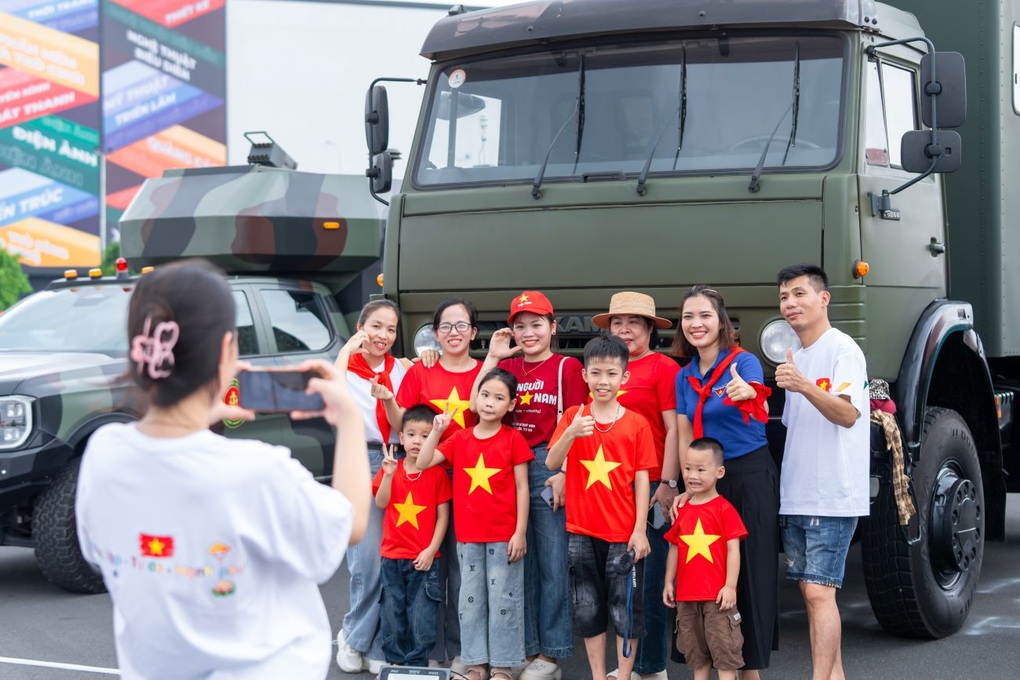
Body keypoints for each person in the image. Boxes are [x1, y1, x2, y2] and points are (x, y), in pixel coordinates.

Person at [75, 259, 371, 679]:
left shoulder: (103, 453)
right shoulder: (256, 470)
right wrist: (350, 418)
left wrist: (199, 413)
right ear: (228, 350)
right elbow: (351, 521)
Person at [470, 290, 587, 680]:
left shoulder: (566, 367)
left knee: (553, 561)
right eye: (520, 326)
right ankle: (527, 646)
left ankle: (552, 654)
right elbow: (476, 408)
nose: (528, 333)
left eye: (536, 325)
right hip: (505, 464)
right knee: (519, 561)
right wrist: (494, 355)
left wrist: (566, 473)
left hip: (546, 461)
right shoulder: (509, 367)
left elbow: (575, 421)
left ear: (553, 327)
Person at [670, 285, 778, 678]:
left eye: (705, 316)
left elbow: (760, 400)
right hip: (705, 485)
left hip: (746, 478)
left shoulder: (743, 362)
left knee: (749, 577)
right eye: (688, 317)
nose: (696, 324)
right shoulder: (684, 377)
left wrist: (748, 392)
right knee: (704, 578)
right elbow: (685, 437)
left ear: (722, 322)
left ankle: (750, 671)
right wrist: (686, 487)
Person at [375, 297, 484, 666]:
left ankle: (461, 651)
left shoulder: (483, 372)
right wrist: (389, 397)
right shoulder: (421, 371)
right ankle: (429, 654)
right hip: (425, 475)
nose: (454, 333)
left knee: (461, 569)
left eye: (461, 325)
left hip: (473, 479)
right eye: (446, 327)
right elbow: (399, 421)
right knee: (429, 570)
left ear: (474, 331)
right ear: (435, 333)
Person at [774, 264, 869, 680]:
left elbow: (847, 415)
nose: (790, 303)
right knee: (813, 596)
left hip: (832, 492)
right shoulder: (796, 355)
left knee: (818, 592)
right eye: (783, 297)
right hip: (797, 494)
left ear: (823, 298)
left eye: (799, 294)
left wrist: (804, 385)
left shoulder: (842, 348)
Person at [547, 335, 657, 680]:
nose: (603, 381)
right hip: (581, 529)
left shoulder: (637, 423)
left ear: (624, 377)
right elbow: (551, 462)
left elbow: (642, 479)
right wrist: (571, 433)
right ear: (585, 376)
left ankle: (622, 675)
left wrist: (640, 530)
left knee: (626, 609)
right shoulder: (572, 416)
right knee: (587, 608)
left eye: (612, 374)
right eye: (596, 373)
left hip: (623, 533)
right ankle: (598, 675)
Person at [417, 368, 533, 680]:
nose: (490, 402)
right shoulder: (459, 439)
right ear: (475, 398)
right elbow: (423, 462)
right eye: (484, 395)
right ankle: (474, 663)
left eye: (499, 398)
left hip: (504, 535)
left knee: (503, 601)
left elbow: (523, 487)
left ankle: (503, 664)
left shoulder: (513, 439)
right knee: (470, 602)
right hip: (468, 536)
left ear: (510, 405)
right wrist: (437, 431)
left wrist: (520, 531)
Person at [592, 292, 680, 680]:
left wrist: (670, 482)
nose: (624, 329)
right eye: (617, 323)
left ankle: (651, 668)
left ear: (649, 330)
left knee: (648, 583)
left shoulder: (661, 367)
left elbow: (675, 428)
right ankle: (627, 664)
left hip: (652, 486)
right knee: (617, 586)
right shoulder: (602, 368)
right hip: (607, 489)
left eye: (634, 323)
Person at [334, 300, 415, 674]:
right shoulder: (344, 369)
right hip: (358, 459)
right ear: (361, 327)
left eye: (391, 329)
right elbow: (330, 404)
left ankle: (377, 640)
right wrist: (347, 350)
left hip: (396, 460)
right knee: (365, 558)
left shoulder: (401, 369)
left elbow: (403, 420)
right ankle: (354, 636)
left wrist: (392, 396)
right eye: (376, 327)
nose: (383, 336)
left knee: (393, 558)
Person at [663, 437, 748, 680]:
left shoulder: (724, 509)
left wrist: (730, 586)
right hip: (687, 598)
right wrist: (669, 582)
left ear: (719, 472)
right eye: (688, 468)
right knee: (696, 657)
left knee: (725, 655)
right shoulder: (682, 509)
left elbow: (734, 550)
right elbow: (675, 548)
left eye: (701, 469)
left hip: (717, 598)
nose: (693, 475)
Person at [374, 405, 453, 668]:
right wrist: (387, 476)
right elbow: (381, 502)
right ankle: (396, 664)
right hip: (392, 556)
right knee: (392, 613)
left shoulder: (438, 473)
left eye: (425, 435)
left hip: (424, 558)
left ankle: (418, 664)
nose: (417, 441)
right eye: (411, 434)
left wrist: (431, 550)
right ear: (401, 436)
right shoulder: (390, 468)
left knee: (422, 615)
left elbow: (443, 516)